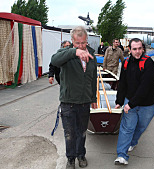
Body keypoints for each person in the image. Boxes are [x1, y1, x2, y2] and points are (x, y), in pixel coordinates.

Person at [50, 26, 97, 169]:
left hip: (84, 102)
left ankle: (80, 154)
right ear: (72, 41)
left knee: (82, 132)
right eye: (78, 43)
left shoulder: (92, 56)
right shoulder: (66, 53)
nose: (81, 46)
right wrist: (74, 52)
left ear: (87, 40)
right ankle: (70, 159)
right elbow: (54, 60)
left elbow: (93, 78)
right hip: (68, 102)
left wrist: (93, 98)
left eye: (83, 43)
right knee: (69, 133)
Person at [114, 38, 154, 165]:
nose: (137, 51)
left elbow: (145, 88)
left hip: (148, 104)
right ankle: (122, 155)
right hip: (130, 101)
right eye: (134, 49)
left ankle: (133, 142)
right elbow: (122, 83)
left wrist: (130, 104)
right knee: (127, 128)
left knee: (140, 127)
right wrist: (120, 101)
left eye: (140, 48)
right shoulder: (126, 62)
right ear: (129, 49)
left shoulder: (148, 63)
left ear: (143, 49)